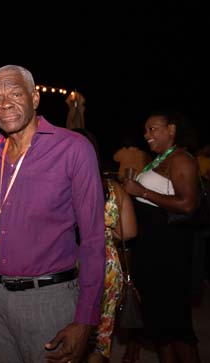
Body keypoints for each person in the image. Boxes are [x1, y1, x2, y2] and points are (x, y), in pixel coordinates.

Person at [0, 65, 106, 363]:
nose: (5, 104)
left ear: (35, 98)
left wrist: (85, 318)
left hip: (48, 297)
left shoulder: (73, 148)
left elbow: (93, 239)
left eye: (15, 94)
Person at [122, 111, 202, 363]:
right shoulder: (159, 160)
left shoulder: (181, 159)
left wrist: (142, 191)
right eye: (146, 130)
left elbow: (188, 204)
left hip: (169, 254)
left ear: (172, 130)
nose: (146, 135)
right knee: (159, 328)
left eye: (153, 129)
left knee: (176, 326)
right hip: (151, 250)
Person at [73, 128, 138, 363]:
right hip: (107, 265)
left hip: (71, 262)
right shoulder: (113, 188)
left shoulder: (63, 185)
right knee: (101, 335)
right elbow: (129, 232)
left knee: (70, 331)